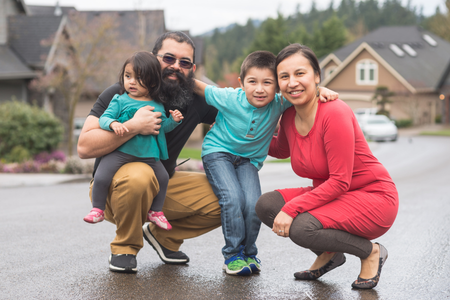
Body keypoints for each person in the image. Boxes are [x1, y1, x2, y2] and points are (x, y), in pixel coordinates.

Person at [255, 43, 399, 289]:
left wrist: (292, 210)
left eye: (300, 74)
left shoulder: (334, 112)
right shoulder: (289, 116)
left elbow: (341, 181)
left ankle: (371, 252)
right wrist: (244, 134)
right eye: (284, 76)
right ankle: (331, 253)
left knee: (301, 227)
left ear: (317, 76)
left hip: (372, 196)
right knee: (266, 205)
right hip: (333, 196)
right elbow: (281, 149)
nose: (292, 82)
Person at [78, 32, 221, 273]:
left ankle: (163, 238)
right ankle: (125, 247)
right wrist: (133, 127)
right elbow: (84, 146)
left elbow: (243, 111)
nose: (175, 66)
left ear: (193, 68)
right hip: (113, 185)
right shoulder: (121, 93)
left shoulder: (194, 101)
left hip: (159, 184)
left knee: (228, 197)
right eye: (168, 58)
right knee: (139, 176)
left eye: (184, 63)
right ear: (154, 59)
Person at [194, 51, 339, 276]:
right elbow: (199, 86)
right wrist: (170, 72)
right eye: (252, 82)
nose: (259, 89)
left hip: (248, 161)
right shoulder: (229, 97)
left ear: (277, 87)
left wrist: (321, 91)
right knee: (232, 198)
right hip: (218, 153)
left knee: (254, 204)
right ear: (242, 83)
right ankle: (232, 255)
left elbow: (304, 92)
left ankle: (249, 254)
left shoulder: (279, 103)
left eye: (267, 83)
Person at [83, 51, 183, 233]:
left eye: (139, 78)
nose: (131, 82)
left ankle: (156, 211)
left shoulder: (158, 104)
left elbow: (161, 128)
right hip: (122, 152)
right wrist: (113, 123)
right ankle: (97, 208)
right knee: (102, 175)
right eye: (128, 76)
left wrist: (173, 122)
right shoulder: (119, 100)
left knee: (163, 177)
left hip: (149, 154)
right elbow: (104, 118)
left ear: (153, 82)